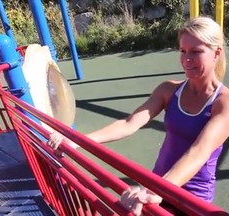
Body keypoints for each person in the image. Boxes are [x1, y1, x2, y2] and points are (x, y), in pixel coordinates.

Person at [47, 16, 229, 215]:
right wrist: (76, 141)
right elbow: (129, 123)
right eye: (183, 51)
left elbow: (199, 151)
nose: (187, 59)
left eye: (196, 52)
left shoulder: (223, 102)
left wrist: (158, 190)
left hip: (190, 199)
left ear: (216, 53)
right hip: (158, 187)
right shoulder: (169, 90)